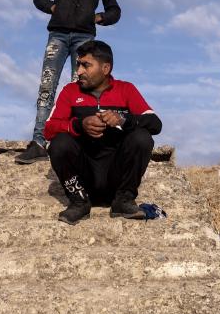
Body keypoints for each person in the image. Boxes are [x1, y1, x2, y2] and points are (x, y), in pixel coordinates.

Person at [14, 0, 121, 164]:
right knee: (47, 85)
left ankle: (75, 140)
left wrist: (98, 18)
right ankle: (39, 142)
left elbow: (115, 10)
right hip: (58, 35)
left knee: (79, 90)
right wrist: (54, 8)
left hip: (85, 40)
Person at [43, 40, 162, 224]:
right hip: (84, 179)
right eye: (78, 65)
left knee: (142, 137)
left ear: (105, 68)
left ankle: (123, 201)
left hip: (116, 178)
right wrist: (79, 125)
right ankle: (79, 203)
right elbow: (49, 129)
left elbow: (155, 124)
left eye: (86, 65)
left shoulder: (126, 89)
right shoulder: (70, 91)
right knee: (59, 143)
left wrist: (123, 119)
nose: (79, 71)